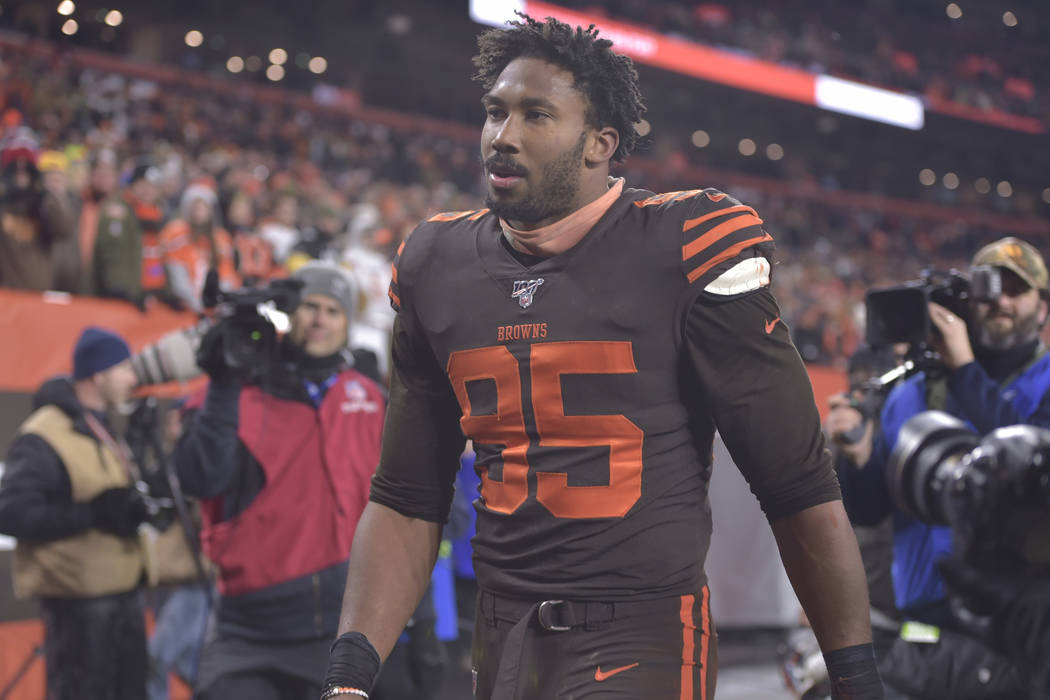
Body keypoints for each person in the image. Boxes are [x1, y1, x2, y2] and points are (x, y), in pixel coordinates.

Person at [322, 15, 880, 700]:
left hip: (640, 631)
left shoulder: (686, 243)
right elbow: (408, 498)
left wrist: (856, 677)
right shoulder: (436, 264)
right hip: (501, 633)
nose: (503, 135)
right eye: (495, 112)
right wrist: (350, 672)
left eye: (536, 115)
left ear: (600, 144)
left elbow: (796, 486)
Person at [839, 236, 1050, 697]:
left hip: (1024, 634)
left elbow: (1034, 476)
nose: (1001, 300)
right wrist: (854, 460)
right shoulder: (910, 391)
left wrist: (966, 370)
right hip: (924, 635)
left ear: (1043, 308)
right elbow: (871, 509)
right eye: (989, 288)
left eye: (1018, 289)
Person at [174, 260, 385, 699]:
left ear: (347, 323)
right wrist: (223, 384)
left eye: (332, 309)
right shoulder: (237, 391)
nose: (319, 319)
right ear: (291, 316)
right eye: (310, 306)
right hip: (248, 626)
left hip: (340, 625)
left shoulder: (368, 396)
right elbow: (200, 478)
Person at [0, 327, 154, 700]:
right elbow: (12, 514)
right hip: (80, 609)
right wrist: (92, 513)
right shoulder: (43, 434)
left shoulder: (100, 427)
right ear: (98, 374)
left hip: (122, 598)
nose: (133, 379)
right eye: (124, 368)